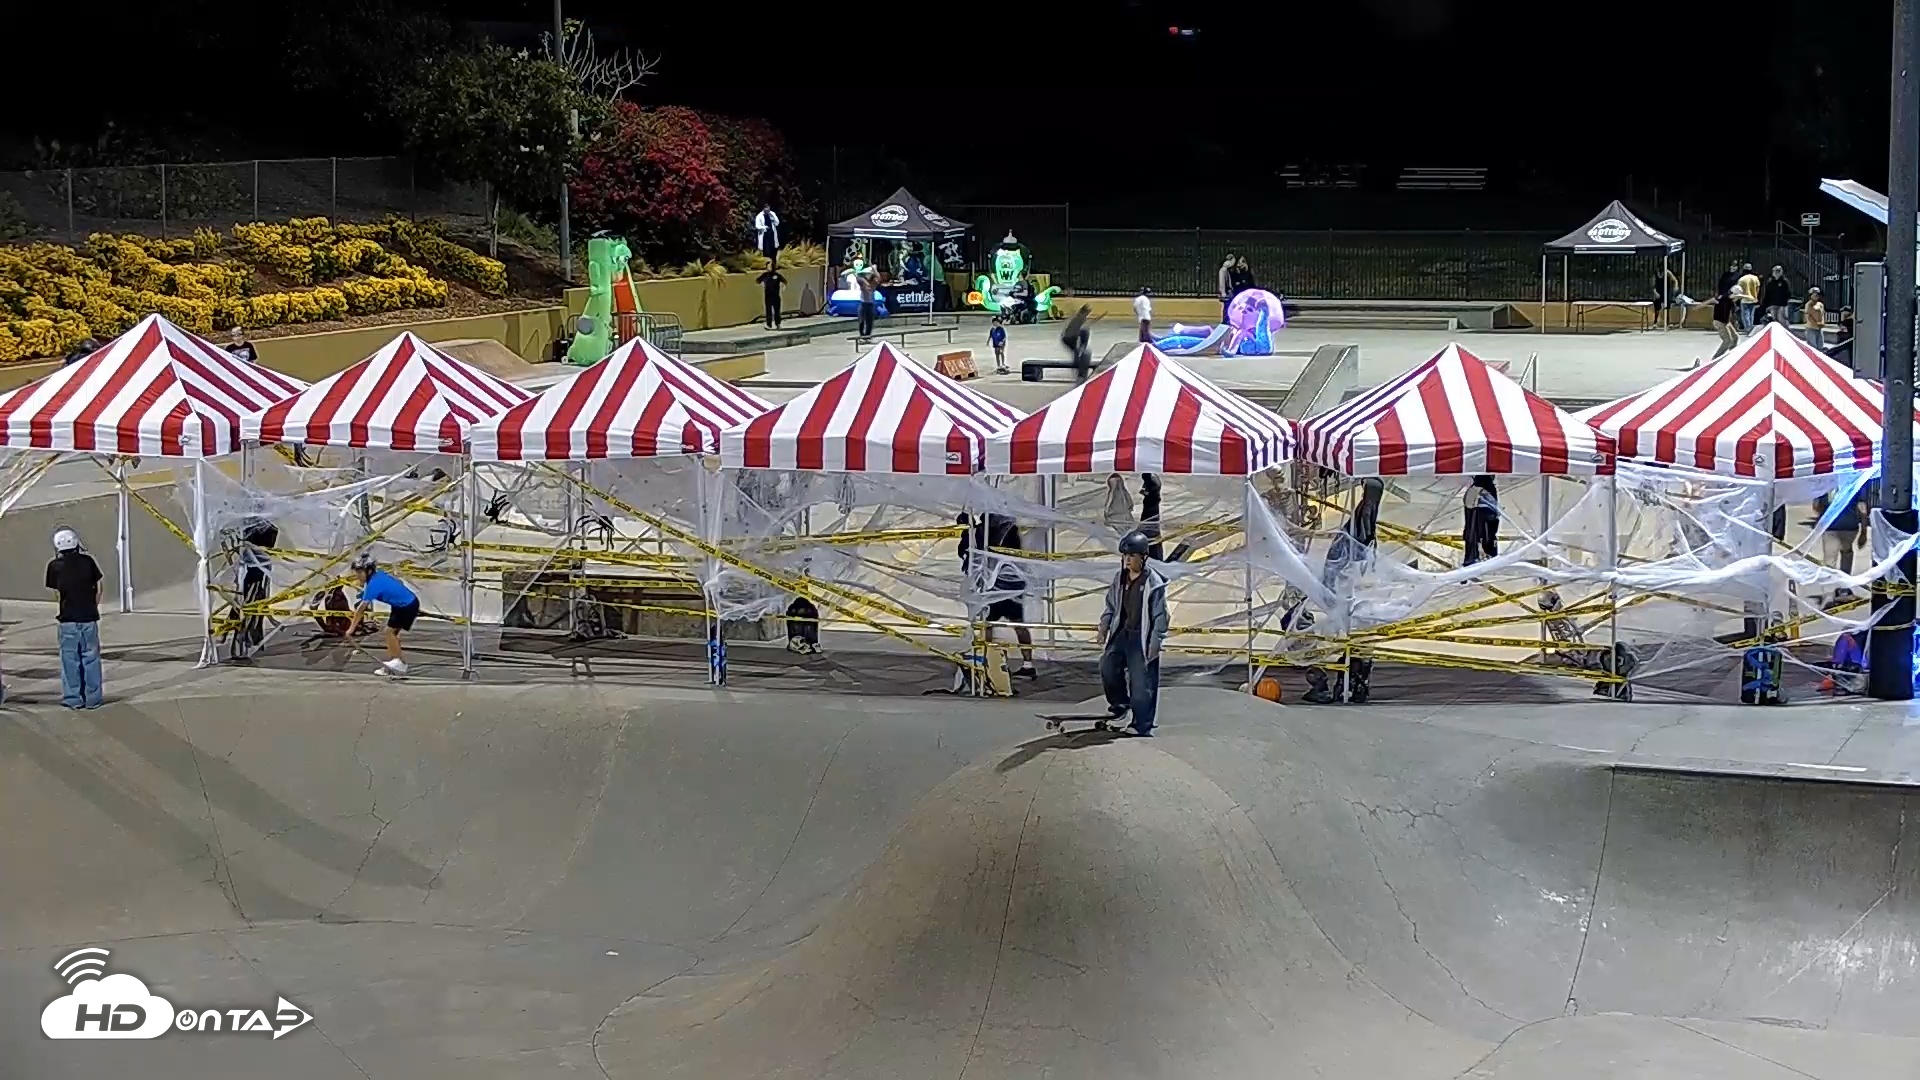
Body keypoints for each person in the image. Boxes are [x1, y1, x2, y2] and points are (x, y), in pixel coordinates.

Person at [1097, 530, 1169, 736]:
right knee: (1107, 666)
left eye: (1132, 557)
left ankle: (1142, 725)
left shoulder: (1153, 583)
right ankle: (1120, 705)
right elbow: (1111, 606)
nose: (1128, 561)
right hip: (1122, 632)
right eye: (1125, 557)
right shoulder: (1120, 579)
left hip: (1142, 635)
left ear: (1143, 557)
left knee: (1141, 682)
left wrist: (1156, 642)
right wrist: (1104, 627)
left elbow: (1161, 616)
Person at [958, 512, 1037, 678]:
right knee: (992, 623)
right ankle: (991, 660)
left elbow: (981, 550)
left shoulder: (1005, 532)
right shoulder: (993, 530)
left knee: (1002, 623)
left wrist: (970, 531)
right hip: (999, 584)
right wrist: (968, 531)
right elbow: (967, 550)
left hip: (1004, 584)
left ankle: (1022, 664)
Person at [46, 526, 104, 709]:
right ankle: (93, 698)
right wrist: (93, 605)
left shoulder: (54, 566)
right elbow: (99, 586)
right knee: (91, 658)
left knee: (70, 660)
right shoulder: (88, 561)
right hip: (89, 617)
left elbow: (56, 593)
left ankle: (73, 698)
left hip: (67, 619)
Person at [344, 552, 421, 677]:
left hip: (405, 606)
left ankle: (398, 662)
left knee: (389, 632)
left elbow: (361, 609)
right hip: (405, 603)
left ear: (368, 571)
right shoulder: (378, 576)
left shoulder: (373, 584)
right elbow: (396, 583)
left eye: (359, 572)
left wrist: (351, 629)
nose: (357, 575)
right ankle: (397, 663)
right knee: (392, 633)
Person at [1462, 475, 1500, 565]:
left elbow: (1468, 505)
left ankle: (1478, 557)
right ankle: (1486, 556)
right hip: (1484, 520)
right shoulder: (1487, 489)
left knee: (1480, 536)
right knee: (1485, 536)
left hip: (1480, 521)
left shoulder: (1477, 489)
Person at [1061, 305, 1094, 380]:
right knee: (1085, 333)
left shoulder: (1079, 317)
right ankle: (1078, 365)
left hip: (1068, 337)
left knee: (1077, 350)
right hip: (1069, 337)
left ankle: (1077, 362)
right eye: (1087, 312)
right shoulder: (1080, 317)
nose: (1088, 314)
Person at [1735, 263, 1762, 333]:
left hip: (1744, 299)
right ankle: (1751, 328)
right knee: (1751, 315)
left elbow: (1738, 290)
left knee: (1745, 315)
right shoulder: (1755, 278)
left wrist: (1737, 301)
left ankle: (1748, 328)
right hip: (1753, 299)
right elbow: (1758, 288)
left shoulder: (1741, 279)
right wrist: (1757, 298)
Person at [856, 267, 879, 340]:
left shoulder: (874, 283)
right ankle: (862, 335)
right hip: (863, 304)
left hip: (870, 304)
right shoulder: (863, 283)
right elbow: (858, 277)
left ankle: (867, 336)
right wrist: (866, 282)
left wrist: (874, 270)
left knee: (869, 322)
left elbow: (879, 278)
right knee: (861, 320)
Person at [1803, 287, 1827, 352]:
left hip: (1819, 329)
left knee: (1820, 346)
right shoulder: (1808, 304)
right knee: (1813, 348)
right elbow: (1808, 317)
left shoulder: (1820, 304)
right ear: (1811, 295)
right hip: (1811, 328)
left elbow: (1822, 315)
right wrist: (1815, 324)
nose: (1816, 296)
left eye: (1817, 294)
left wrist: (1822, 322)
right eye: (1814, 294)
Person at [1217, 255, 1236, 321]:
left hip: (1227, 292)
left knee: (1227, 307)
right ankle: (1225, 320)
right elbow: (1222, 281)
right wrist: (1223, 292)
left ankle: (1226, 319)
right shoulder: (1223, 270)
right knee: (1226, 307)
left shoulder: (1226, 270)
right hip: (1226, 293)